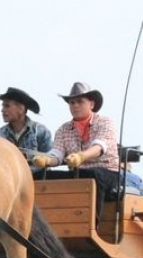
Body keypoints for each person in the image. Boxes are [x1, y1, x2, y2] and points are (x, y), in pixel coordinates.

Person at [32, 82, 125, 217]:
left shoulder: (105, 122)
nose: (75, 105)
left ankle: (92, 227)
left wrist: (81, 156)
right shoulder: (63, 129)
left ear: (91, 104)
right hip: (79, 174)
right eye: (72, 102)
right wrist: (46, 159)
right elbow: (57, 153)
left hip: (109, 175)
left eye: (80, 101)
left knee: (92, 176)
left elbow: (99, 147)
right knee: (38, 176)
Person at [0, 86, 53, 174]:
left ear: (21, 109)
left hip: (39, 183)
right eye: (3, 106)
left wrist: (24, 173)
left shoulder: (41, 132)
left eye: (7, 106)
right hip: (11, 184)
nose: (2, 110)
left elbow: (50, 160)